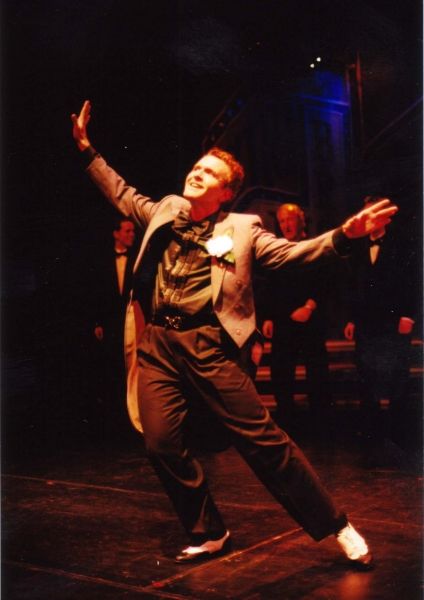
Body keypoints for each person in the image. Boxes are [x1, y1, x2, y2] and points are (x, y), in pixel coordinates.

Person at [71, 100, 397, 569]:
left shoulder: (243, 229)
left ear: (225, 193)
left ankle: (336, 525)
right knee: (160, 443)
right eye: (196, 167)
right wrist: (87, 150)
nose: (196, 173)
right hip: (159, 345)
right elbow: (120, 193)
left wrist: (344, 235)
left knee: (265, 443)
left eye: (209, 172)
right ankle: (209, 531)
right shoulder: (164, 210)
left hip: (210, 348)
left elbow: (292, 256)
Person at [343, 195, 416, 453]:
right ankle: (371, 434)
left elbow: (413, 279)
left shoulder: (402, 243)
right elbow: (353, 285)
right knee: (366, 374)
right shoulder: (358, 247)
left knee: (398, 374)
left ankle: (400, 433)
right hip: (366, 322)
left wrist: (409, 315)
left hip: (395, 321)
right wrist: (351, 318)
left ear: (385, 216)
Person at [261, 203, 333, 434]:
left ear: (301, 220)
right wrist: (268, 317)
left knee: (317, 369)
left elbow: (326, 280)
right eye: (282, 221)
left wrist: (309, 306)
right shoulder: (276, 249)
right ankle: (286, 421)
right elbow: (270, 286)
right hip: (283, 319)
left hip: (310, 317)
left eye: (289, 219)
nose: (286, 224)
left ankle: (321, 421)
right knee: (281, 370)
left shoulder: (314, 246)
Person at [90, 216, 143, 437]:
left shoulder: (138, 259)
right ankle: (114, 420)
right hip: (111, 323)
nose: (132, 235)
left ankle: (134, 417)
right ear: (116, 233)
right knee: (112, 368)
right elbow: (95, 292)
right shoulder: (103, 260)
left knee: (133, 368)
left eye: (133, 231)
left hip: (131, 321)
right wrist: (97, 322)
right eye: (127, 231)